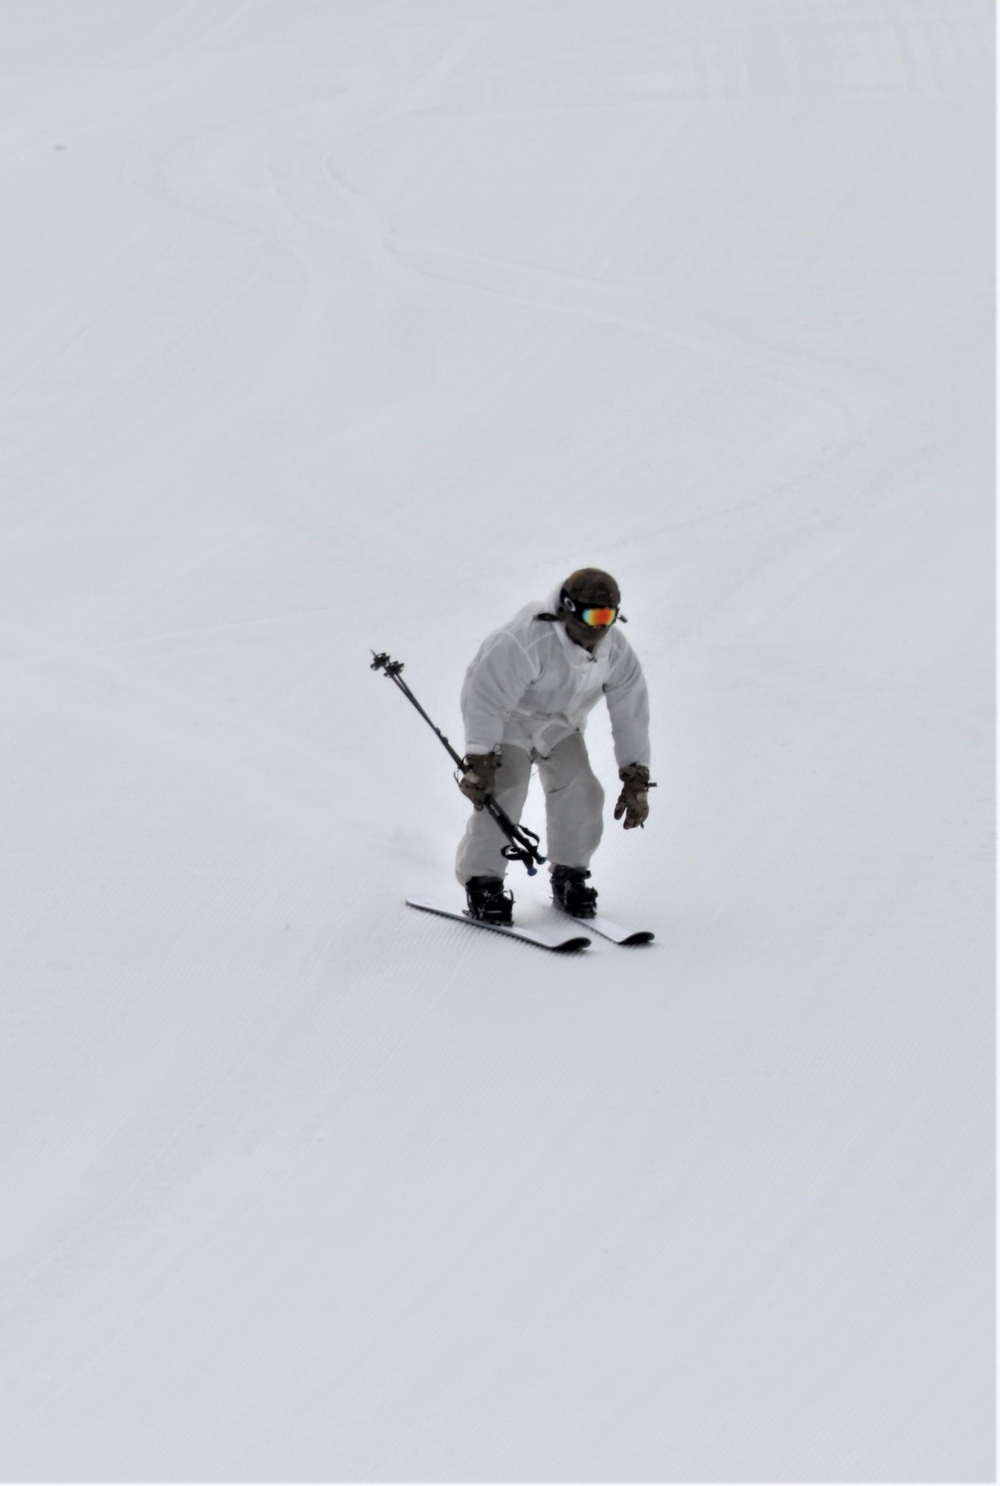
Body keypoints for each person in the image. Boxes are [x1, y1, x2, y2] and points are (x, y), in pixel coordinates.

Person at [456, 567, 652, 924]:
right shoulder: (527, 640)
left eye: (608, 616)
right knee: (507, 787)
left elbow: (631, 712)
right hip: (509, 718)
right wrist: (481, 759)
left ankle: (570, 875)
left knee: (582, 789)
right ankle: (482, 881)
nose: (599, 626)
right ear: (568, 609)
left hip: (559, 723)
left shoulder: (615, 650)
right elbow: (485, 695)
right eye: (592, 614)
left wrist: (635, 775)